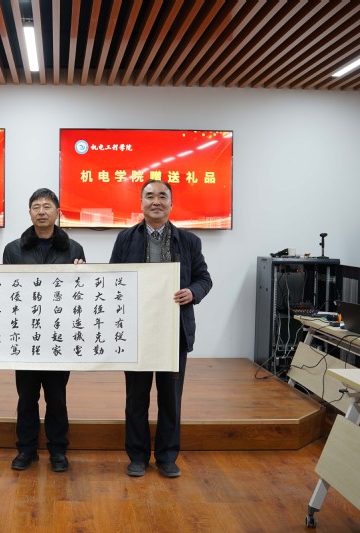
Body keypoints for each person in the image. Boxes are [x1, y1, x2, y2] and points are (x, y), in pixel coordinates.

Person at [109, 180, 212, 478]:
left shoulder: (188, 241)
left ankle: (167, 457)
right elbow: (114, 277)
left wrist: (193, 292)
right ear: (141, 203)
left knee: (170, 398)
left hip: (173, 331)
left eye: (162, 196)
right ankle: (138, 456)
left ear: (171, 204)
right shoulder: (126, 238)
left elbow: (204, 279)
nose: (156, 201)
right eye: (150, 196)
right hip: (137, 330)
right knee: (136, 398)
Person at [3, 188, 86, 472]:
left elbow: (81, 293)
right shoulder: (13, 249)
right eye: (36, 206)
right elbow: (6, 291)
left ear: (57, 212)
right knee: (26, 397)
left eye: (47, 206)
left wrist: (82, 275)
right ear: (29, 212)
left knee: (56, 397)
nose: (42, 211)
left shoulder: (74, 249)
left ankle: (58, 451)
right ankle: (26, 450)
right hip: (25, 335)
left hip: (58, 336)